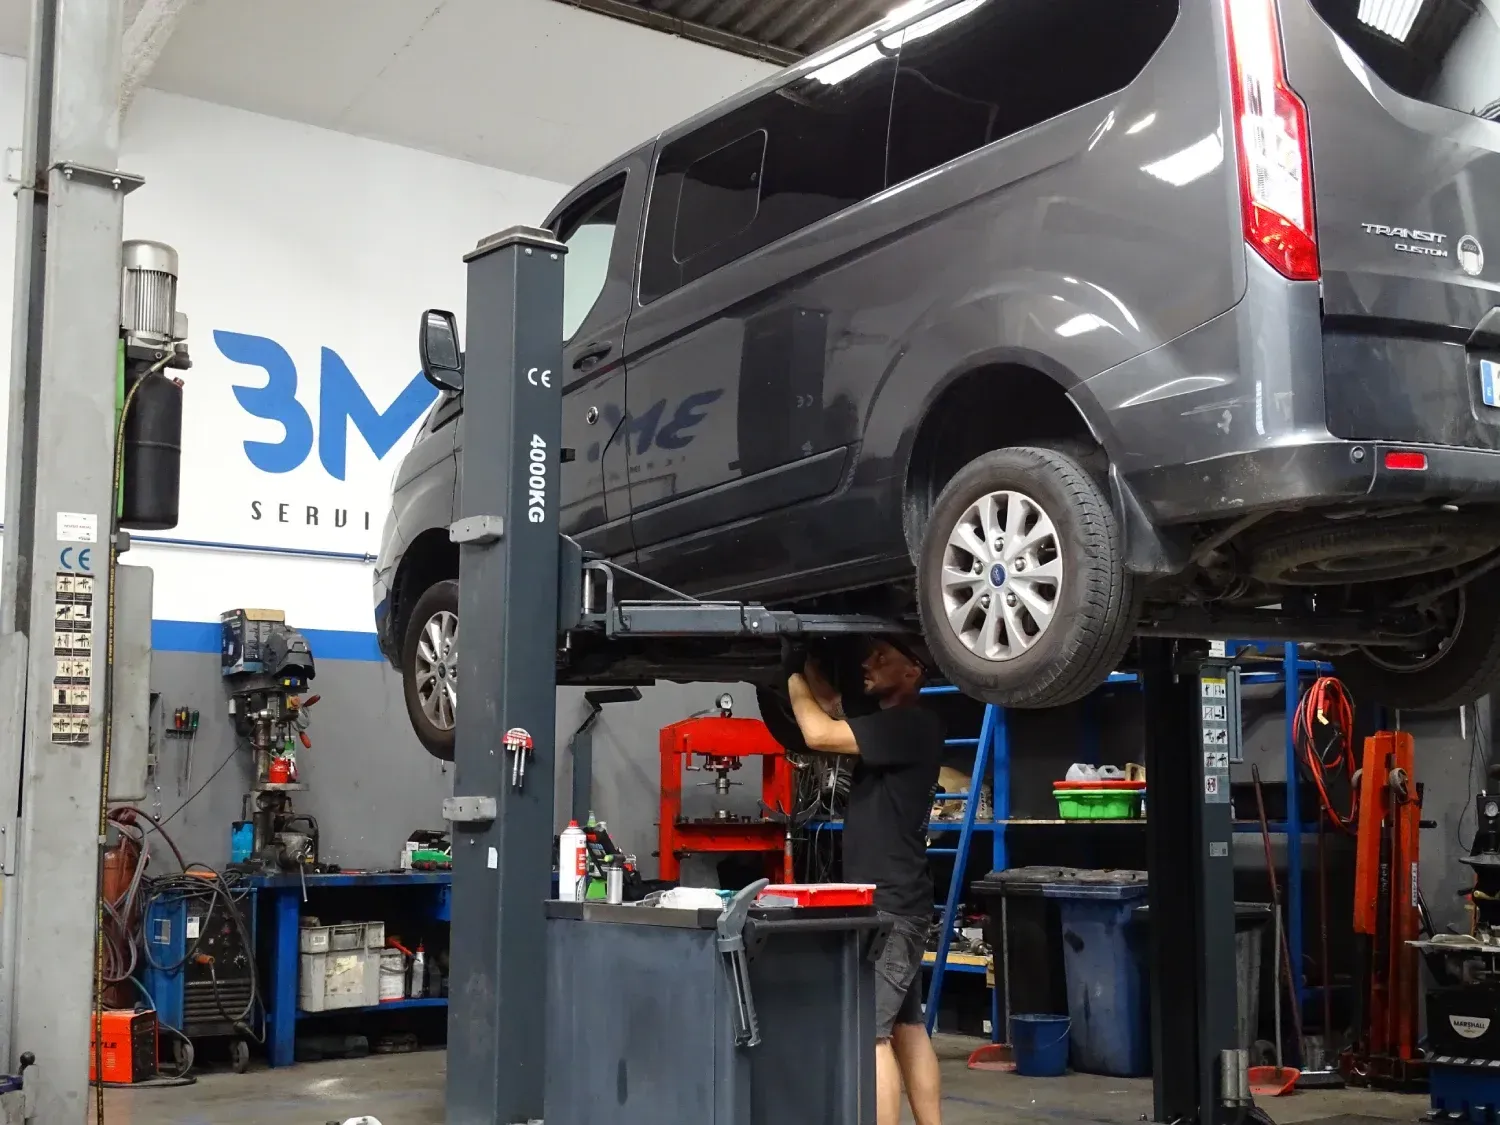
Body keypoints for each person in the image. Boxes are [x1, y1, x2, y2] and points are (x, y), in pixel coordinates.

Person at [785, 637, 945, 1125]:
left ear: (913, 671)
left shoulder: (908, 724)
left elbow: (819, 734)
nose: (867, 662)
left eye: (882, 655)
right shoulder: (898, 726)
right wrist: (811, 664)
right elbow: (832, 706)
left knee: (869, 1035)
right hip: (899, 898)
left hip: (890, 907)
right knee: (906, 1027)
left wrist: (789, 675)